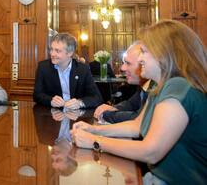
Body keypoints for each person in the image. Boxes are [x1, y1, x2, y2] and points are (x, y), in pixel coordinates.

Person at [70, 20, 207, 184]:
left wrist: (94, 141)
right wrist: (94, 130)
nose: (140, 58)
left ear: (165, 54)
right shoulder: (160, 86)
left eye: (144, 51)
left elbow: (151, 151)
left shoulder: (177, 85)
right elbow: (136, 126)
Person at [33, 33, 102, 109]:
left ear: (70, 53)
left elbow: (97, 97)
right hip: (53, 115)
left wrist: (80, 103)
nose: (52, 54)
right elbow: (37, 95)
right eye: (51, 49)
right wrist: (50, 100)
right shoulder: (43, 67)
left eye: (57, 51)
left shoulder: (83, 69)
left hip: (77, 116)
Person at [93, 42, 151, 123]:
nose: (122, 68)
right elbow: (131, 104)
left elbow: (139, 118)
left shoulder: (158, 86)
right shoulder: (145, 85)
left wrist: (106, 114)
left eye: (128, 63)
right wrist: (113, 108)